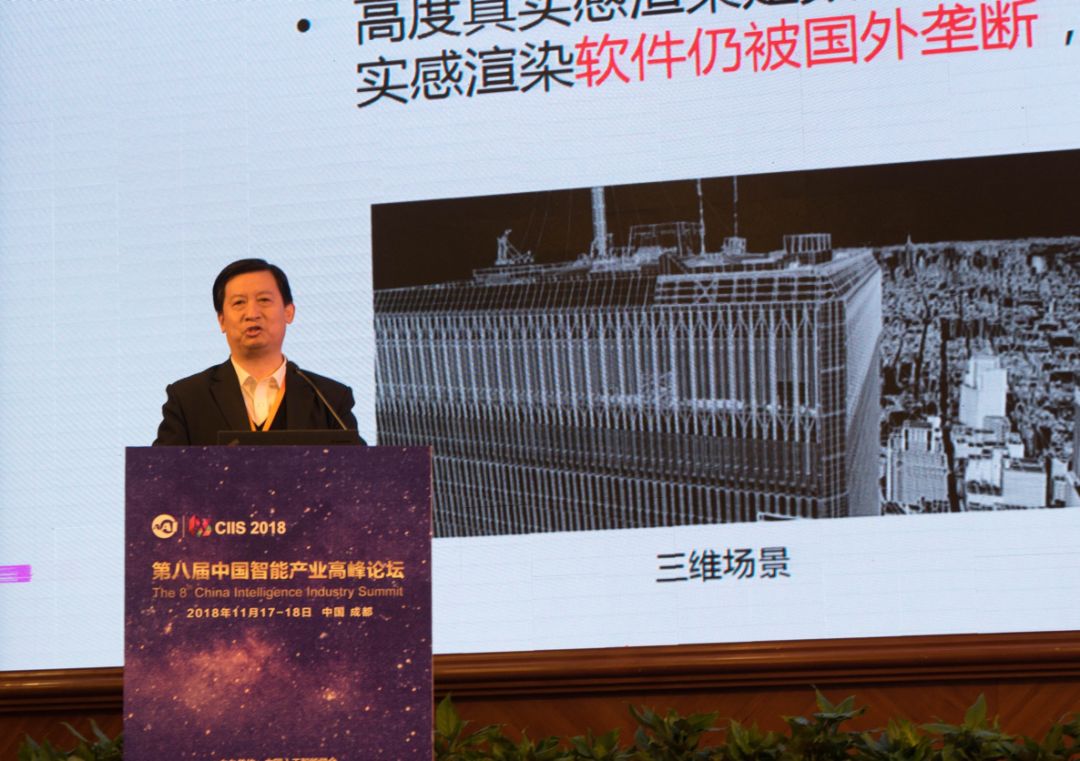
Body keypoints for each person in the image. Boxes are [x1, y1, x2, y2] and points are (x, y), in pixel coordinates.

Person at [153, 258, 358, 445]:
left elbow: (359, 469)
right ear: (221, 320)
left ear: (289, 312)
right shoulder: (188, 398)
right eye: (239, 303)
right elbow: (161, 471)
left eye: (264, 300)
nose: (252, 313)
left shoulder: (329, 399)